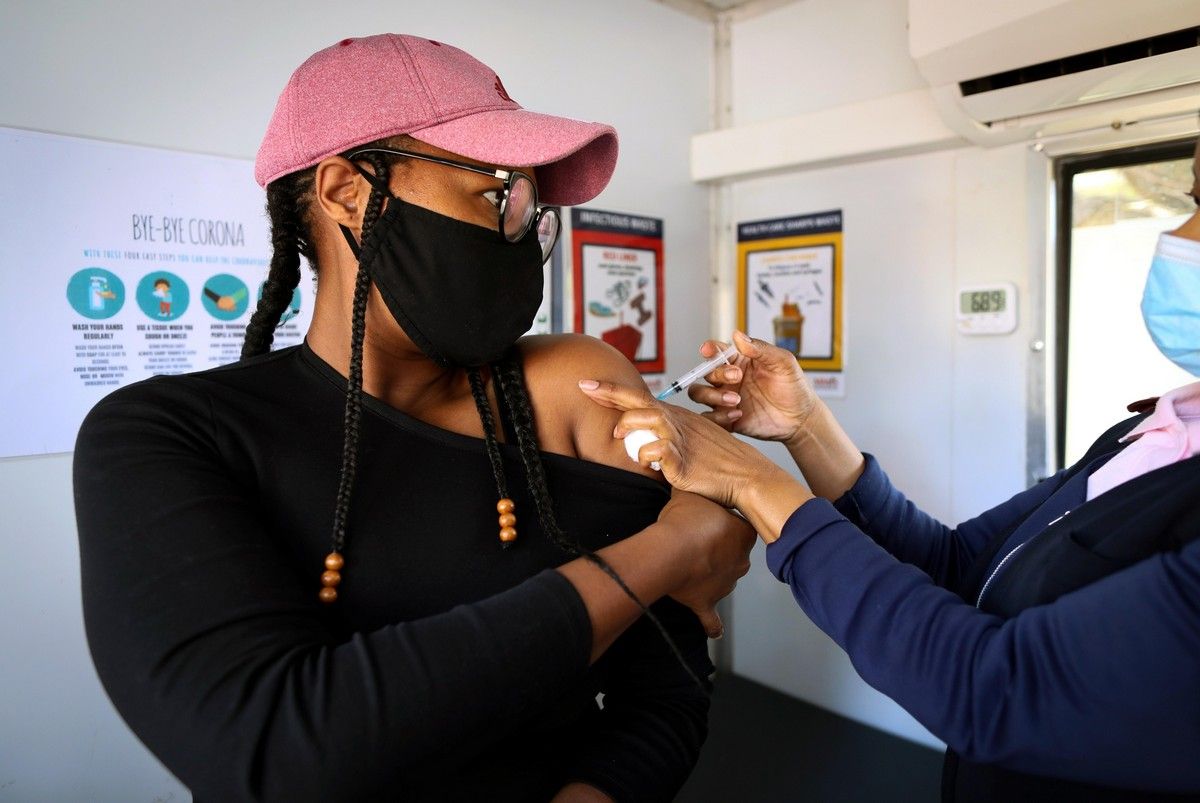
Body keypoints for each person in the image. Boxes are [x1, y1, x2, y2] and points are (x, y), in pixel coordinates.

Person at [73, 34, 754, 803]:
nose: (521, 236)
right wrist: (670, 547)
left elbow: (664, 692)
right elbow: (273, 748)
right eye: (498, 197)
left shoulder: (572, 392)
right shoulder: (167, 434)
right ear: (347, 192)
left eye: (533, 210)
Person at [580, 139, 1200, 801]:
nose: (1180, 236)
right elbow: (959, 564)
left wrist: (754, 483)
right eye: (1192, 198)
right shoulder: (1164, 428)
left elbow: (997, 689)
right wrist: (805, 426)